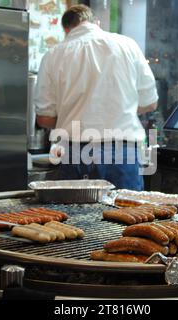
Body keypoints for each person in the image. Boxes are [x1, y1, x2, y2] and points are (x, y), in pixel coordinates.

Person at [34, 5, 158, 190]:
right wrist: (118, 108)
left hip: (74, 152)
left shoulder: (53, 55)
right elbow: (150, 103)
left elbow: (44, 118)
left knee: (75, 217)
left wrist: (74, 115)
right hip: (121, 152)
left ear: (67, 29)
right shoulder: (127, 45)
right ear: (95, 22)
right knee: (126, 214)